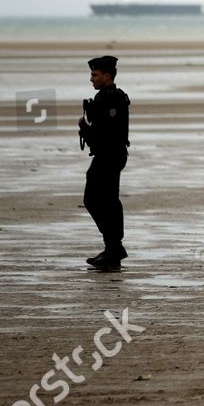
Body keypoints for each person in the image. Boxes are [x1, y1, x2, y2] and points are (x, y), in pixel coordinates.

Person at [79, 54, 130, 270]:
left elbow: (108, 134)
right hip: (106, 155)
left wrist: (86, 128)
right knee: (102, 200)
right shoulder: (105, 98)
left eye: (95, 74)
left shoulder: (113, 99)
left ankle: (114, 248)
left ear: (107, 76)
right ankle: (112, 248)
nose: (91, 78)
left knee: (100, 200)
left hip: (110, 155)